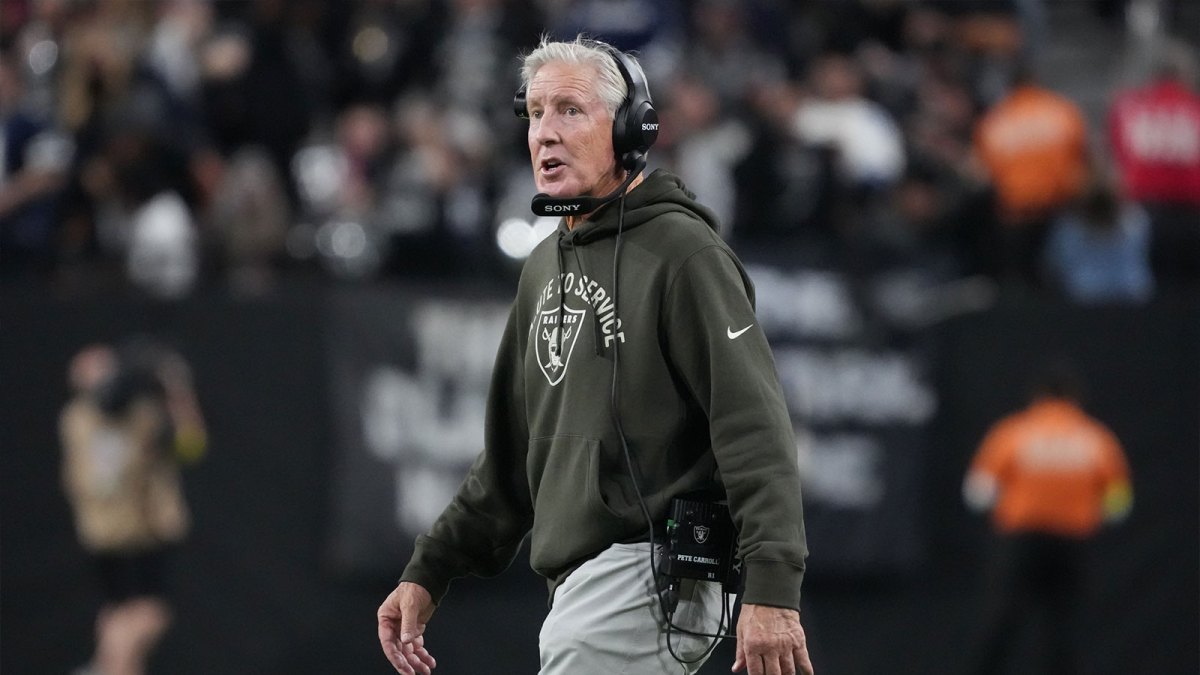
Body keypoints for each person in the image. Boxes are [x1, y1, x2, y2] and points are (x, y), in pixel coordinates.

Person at [377, 35, 813, 675]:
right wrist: (430, 568)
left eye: (570, 110)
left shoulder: (683, 253)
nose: (545, 133)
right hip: (584, 587)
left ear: (631, 130)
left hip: (646, 573)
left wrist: (773, 586)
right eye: (535, 113)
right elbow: (510, 459)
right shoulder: (542, 266)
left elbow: (753, 424)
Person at [962, 362, 1132, 675]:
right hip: (1072, 543)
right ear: (1076, 397)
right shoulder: (1096, 438)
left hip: (1020, 541)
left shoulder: (1013, 432)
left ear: (1036, 396)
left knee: (1002, 619)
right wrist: (1090, 512)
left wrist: (1011, 506)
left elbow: (978, 492)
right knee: (1064, 625)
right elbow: (1119, 503)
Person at [60, 339, 206, 675]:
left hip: (118, 531)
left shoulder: (94, 417)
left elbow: (190, 446)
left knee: (120, 613)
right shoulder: (89, 420)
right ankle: (103, 668)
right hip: (130, 531)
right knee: (146, 613)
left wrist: (175, 394)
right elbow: (188, 445)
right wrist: (173, 393)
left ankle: (109, 668)